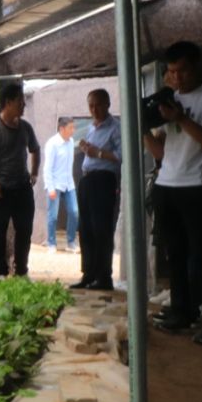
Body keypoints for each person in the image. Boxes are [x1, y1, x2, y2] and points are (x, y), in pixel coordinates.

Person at [144, 41, 202, 346]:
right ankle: (182, 311)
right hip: (167, 185)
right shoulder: (168, 100)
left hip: (196, 187)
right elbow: (160, 153)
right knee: (175, 255)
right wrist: (142, 125)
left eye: (182, 71)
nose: (177, 78)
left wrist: (179, 118)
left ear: (195, 68)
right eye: (171, 72)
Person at [0, 83, 40, 278]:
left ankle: (21, 271)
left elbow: (35, 149)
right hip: (0, 191)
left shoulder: (26, 127)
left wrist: (34, 173)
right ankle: (0, 274)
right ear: (8, 102)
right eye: (20, 102)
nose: (24, 105)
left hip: (22, 189)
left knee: (24, 231)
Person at [71, 89, 122, 290]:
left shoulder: (116, 128)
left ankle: (103, 276)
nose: (94, 109)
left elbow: (122, 155)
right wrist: (87, 149)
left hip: (104, 180)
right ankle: (88, 274)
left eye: (98, 105)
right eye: (91, 105)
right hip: (87, 180)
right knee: (86, 229)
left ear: (108, 104)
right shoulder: (92, 128)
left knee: (102, 229)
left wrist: (98, 152)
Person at [43, 116, 78, 254]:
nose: (73, 130)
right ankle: (51, 243)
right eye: (70, 128)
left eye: (73, 127)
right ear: (62, 128)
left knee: (74, 212)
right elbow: (47, 168)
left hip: (69, 183)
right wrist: (50, 187)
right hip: (55, 184)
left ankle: (71, 242)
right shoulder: (52, 144)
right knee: (53, 215)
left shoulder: (71, 142)